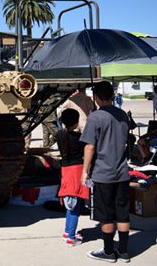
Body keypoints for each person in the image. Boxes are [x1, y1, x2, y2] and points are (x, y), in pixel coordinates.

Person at [81, 81, 131, 263]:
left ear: (96, 97)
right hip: (122, 172)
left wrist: (84, 171)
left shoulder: (95, 117)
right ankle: (124, 252)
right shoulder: (122, 114)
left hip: (103, 174)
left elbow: (89, 146)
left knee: (106, 215)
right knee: (123, 213)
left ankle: (109, 252)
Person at [57, 108, 89, 247]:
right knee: (74, 207)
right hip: (76, 171)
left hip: (65, 170)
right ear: (76, 122)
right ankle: (70, 237)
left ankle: (67, 231)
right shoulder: (78, 138)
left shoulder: (60, 135)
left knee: (70, 203)